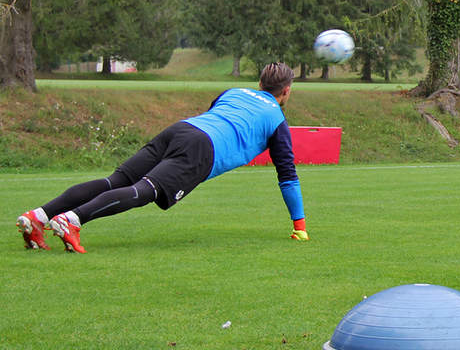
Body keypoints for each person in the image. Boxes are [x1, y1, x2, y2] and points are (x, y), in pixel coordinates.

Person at [16, 62, 307, 253]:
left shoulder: (232, 92)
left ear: (259, 83)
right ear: (286, 91)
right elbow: (287, 175)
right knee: (146, 191)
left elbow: (215, 114)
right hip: (202, 148)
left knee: (115, 180)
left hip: (182, 128)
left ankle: (38, 217)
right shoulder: (276, 119)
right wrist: (299, 226)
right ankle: (73, 220)